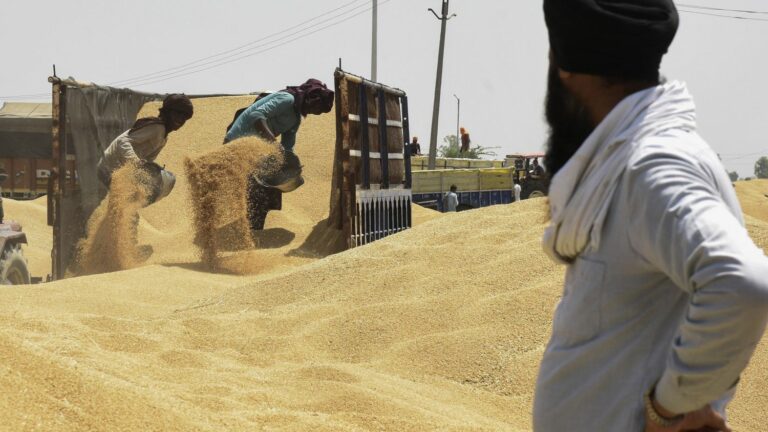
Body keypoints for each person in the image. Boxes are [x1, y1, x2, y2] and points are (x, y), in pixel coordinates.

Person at [533, 1, 768, 432]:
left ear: (563, 65)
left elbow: (743, 283)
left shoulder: (650, 165)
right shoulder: (627, 161)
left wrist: (671, 407)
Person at [224, 78, 334, 233]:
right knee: (256, 189)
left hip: (256, 153)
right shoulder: (286, 99)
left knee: (266, 190)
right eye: (318, 107)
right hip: (238, 143)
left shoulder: (295, 119)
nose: (316, 113)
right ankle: (246, 232)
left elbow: (288, 148)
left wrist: (292, 167)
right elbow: (257, 116)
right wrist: (274, 144)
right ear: (311, 97)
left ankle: (254, 231)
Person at [97, 93, 193, 201]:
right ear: (167, 112)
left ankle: (126, 210)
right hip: (108, 168)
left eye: (184, 117)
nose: (180, 119)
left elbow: (147, 160)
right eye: (177, 114)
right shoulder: (157, 128)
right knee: (162, 181)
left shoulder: (163, 138)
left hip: (119, 172)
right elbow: (123, 141)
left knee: (151, 181)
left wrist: (145, 169)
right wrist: (136, 163)